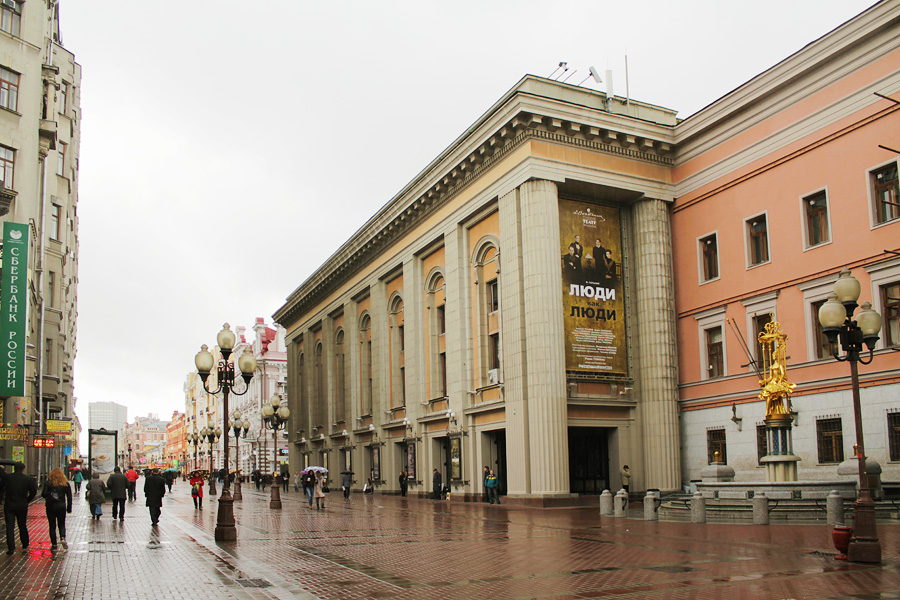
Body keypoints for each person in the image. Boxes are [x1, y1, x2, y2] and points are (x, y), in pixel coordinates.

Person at [3, 462, 37, 554]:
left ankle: (11, 548)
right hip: (22, 505)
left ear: (14, 469)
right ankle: (25, 544)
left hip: (9, 505)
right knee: (22, 525)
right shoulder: (28, 479)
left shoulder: (8, 478)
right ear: (23, 469)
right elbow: (33, 491)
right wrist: (27, 500)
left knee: (10, 526)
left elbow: (2, 488)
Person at [41, 467, 72, 550]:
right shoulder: (65, 484)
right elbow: (69, 497)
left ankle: (54, 544)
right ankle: (62, 538)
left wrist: (49, 494)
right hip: (61, 506)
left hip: (50, 506)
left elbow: (43, 494)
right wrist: (69, 508)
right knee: (61, 524)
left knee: (52, 525)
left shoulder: (48, 483)